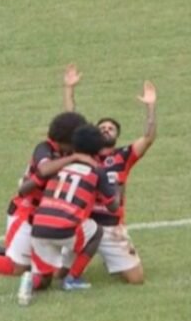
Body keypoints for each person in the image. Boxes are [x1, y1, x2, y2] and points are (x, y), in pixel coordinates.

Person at [0, 110, 95, 275]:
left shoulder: (68, 149)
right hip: (26, 212)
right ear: (64, 140)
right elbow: (44, 170)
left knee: (48, 267)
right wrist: (74, 159)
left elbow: (72, 119)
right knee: (17, 268)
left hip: (49, 215)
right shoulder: (44, 149)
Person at [63, 64, 157, 284]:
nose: (106, 129)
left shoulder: (124, 156)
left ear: (117, 136)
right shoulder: (84, 151)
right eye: (102, 127)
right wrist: (69, 90)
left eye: (111, 128)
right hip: (84, 223)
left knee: (136, 279)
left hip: (111, 226)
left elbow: (149, 137)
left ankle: (109, 257)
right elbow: (71, 120)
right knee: (57, 275)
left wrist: (151, 107)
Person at [22, 124, 119, 292]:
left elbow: (24, 189)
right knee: (96, 232)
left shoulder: (57, 166)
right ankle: (72, 278)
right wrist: (116, 186)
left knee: (45, 281)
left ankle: (30, 283)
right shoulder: (97, 172)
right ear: (98, 148)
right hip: (64, 230)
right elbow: (113, 207)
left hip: (38, 228)